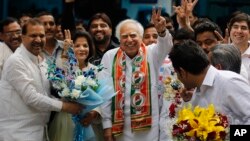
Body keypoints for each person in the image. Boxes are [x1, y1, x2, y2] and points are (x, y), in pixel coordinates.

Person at [0, 18, 82, 141]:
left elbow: (48, 92)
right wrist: (65, 106)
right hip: (16, 133)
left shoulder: (41, 61)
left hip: (40, 131)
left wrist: (67, 54)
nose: (38, 40)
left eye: (41, 36)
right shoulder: (16, 61)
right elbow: (31, 97)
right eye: (33, 35)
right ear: (23, 37)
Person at [100, 7, 173, 141]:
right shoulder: (110, 56)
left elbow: (166, 46)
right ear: (118, 39)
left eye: (133, 35)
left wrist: (162, 31)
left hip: (149, 127)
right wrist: (107, 126)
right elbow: (105, 93)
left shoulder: (152, 52)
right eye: (124, 36)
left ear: (141, 37)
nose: (129, 40)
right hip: (120, 126)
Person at [169, 39, 250, 124]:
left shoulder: (230, 82)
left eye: (177, 73)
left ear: (182, 72)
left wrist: (229, 135)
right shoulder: (196, 92)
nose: (178, 78)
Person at [48, 30, 103, 141]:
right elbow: (57, 81)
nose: (82, 49)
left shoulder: (95, 70)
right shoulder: (65, 65)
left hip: (88, 119)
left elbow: (101, 95)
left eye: (85, 45)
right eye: (77, 46)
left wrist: (94, 113)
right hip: (67, 118)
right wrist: (65, 51)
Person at [228, 12, 250, 84]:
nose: (239, 31)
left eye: (243, 28)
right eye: (235, 27)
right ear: (230, 30)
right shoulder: (221, 53)